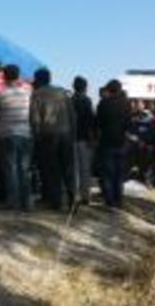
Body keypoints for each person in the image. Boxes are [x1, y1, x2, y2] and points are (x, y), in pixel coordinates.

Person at [30, 68, 77, 211]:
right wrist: (72, 134)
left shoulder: (36, 94)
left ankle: (56, 202)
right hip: (66, 134)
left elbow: (35, 119)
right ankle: (73, 199)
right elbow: (72, 115)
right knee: (68, 168)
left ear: (37, 79)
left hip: (48, 136)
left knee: (53, 169)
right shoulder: (62, 92)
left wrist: (36, 136)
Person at [0, 65, 33, 211]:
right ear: (18, 77)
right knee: (24, 169)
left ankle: (13, 202)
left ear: (4, 77)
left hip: (6, 134)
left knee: (10, 169)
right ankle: (27, 203)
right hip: (25, 133)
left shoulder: (1, 94)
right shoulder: (27, 93)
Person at [95, 79, 130, 209]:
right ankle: (119, 200)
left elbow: (98, 124)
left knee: (107, 174)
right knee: (119, 174)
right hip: (121, 143)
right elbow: (129, 124)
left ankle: (109, 201)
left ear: (109, 89)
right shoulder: (126, 104)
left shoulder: (103, 103)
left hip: (106, 143)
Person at [71, 76, 96, 205]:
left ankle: (75, 195)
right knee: (85, 169)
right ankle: (85, 196)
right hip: (84, 139)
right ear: (85, 88)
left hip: (71, 138)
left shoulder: (69, 101)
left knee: (74, 169)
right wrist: (92, 138)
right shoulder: (87, 101)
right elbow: (91, 121)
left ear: (73, 86)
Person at [127, 99, 155, 185]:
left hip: (145, 144)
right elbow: (130, 129)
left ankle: (146, 178)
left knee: (146, 161)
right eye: (136, 104)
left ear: (143, 105)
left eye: (139, 104)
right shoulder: (132, 116)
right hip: (134, 143)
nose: (137, 106)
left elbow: (151, 131)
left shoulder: (149, 116)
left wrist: (143, 140)